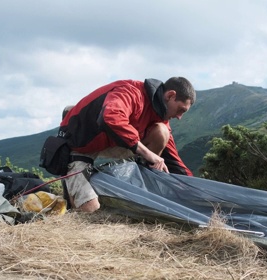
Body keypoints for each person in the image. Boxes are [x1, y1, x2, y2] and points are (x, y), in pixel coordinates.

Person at [58, 77, 196, 212]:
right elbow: (110, 117)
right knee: (91, 210)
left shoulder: (160, 114)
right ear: (171, 95)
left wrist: (192, 188)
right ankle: (71, 188)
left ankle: (142, 189)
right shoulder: (130, 92)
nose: (179, 117)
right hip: (81, 144)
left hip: (113, 141)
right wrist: (149, 154)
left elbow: (172, 158)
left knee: (162, 132)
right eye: (181, 110)